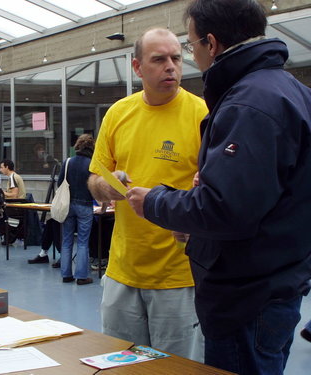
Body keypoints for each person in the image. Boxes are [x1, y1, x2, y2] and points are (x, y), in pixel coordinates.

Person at [126, 1, 311, 374]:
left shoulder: (249, 104)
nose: (182, 63)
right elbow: (266, 196)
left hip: (247, 296)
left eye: (188, 49)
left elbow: (226, 209)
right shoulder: (288, 91)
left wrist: (157, 202)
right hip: (275, 281)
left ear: (211, 43)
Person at [88, 28, 208, 360]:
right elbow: (95, 178)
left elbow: (215, 192)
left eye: (176, 58)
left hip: (179, 275)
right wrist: (105, 187)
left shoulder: (203, 115)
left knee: (177, 368)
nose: (171, 66)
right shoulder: (118, 114)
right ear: (138, 67)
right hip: (123, 272)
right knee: (122, 364)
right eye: (159, 59)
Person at [60, 133, 95, 285]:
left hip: (68, 205)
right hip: (85, 205)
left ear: (77, 146)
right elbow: (95, 188)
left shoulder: (67, 162)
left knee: (67, 240)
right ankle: (81, 276)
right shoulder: (92, 164)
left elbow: (60, 183)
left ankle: (66, 274)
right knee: (82, 241)